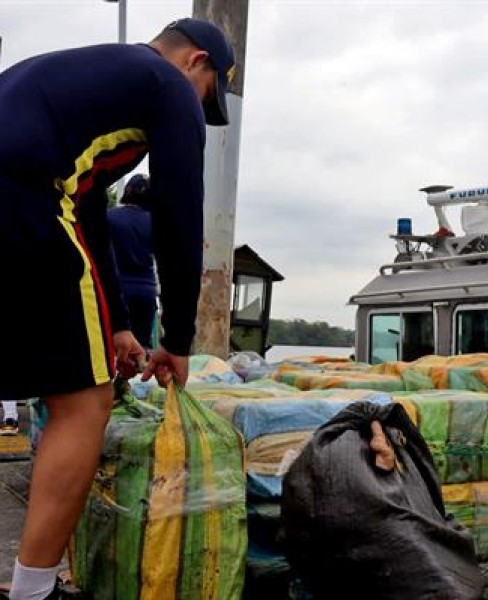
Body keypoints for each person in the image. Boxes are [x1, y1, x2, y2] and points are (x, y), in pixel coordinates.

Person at [0, 18, 234, 600]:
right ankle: (33, 592)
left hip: (21, 195)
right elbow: (182, 216)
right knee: (84, 402)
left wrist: (120, 327)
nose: (201, 110)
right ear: (195, 62)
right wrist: (178, 340)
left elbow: (89, 215)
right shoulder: (168, 85)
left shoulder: (83, 75)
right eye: (210, 94)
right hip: (19, 200)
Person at [108, 174, 158, 348]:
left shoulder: (109, 217)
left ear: (127, 190)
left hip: (116, 292)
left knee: (111, 348)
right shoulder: (156, 223)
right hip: (146, 293)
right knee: (141, 349)